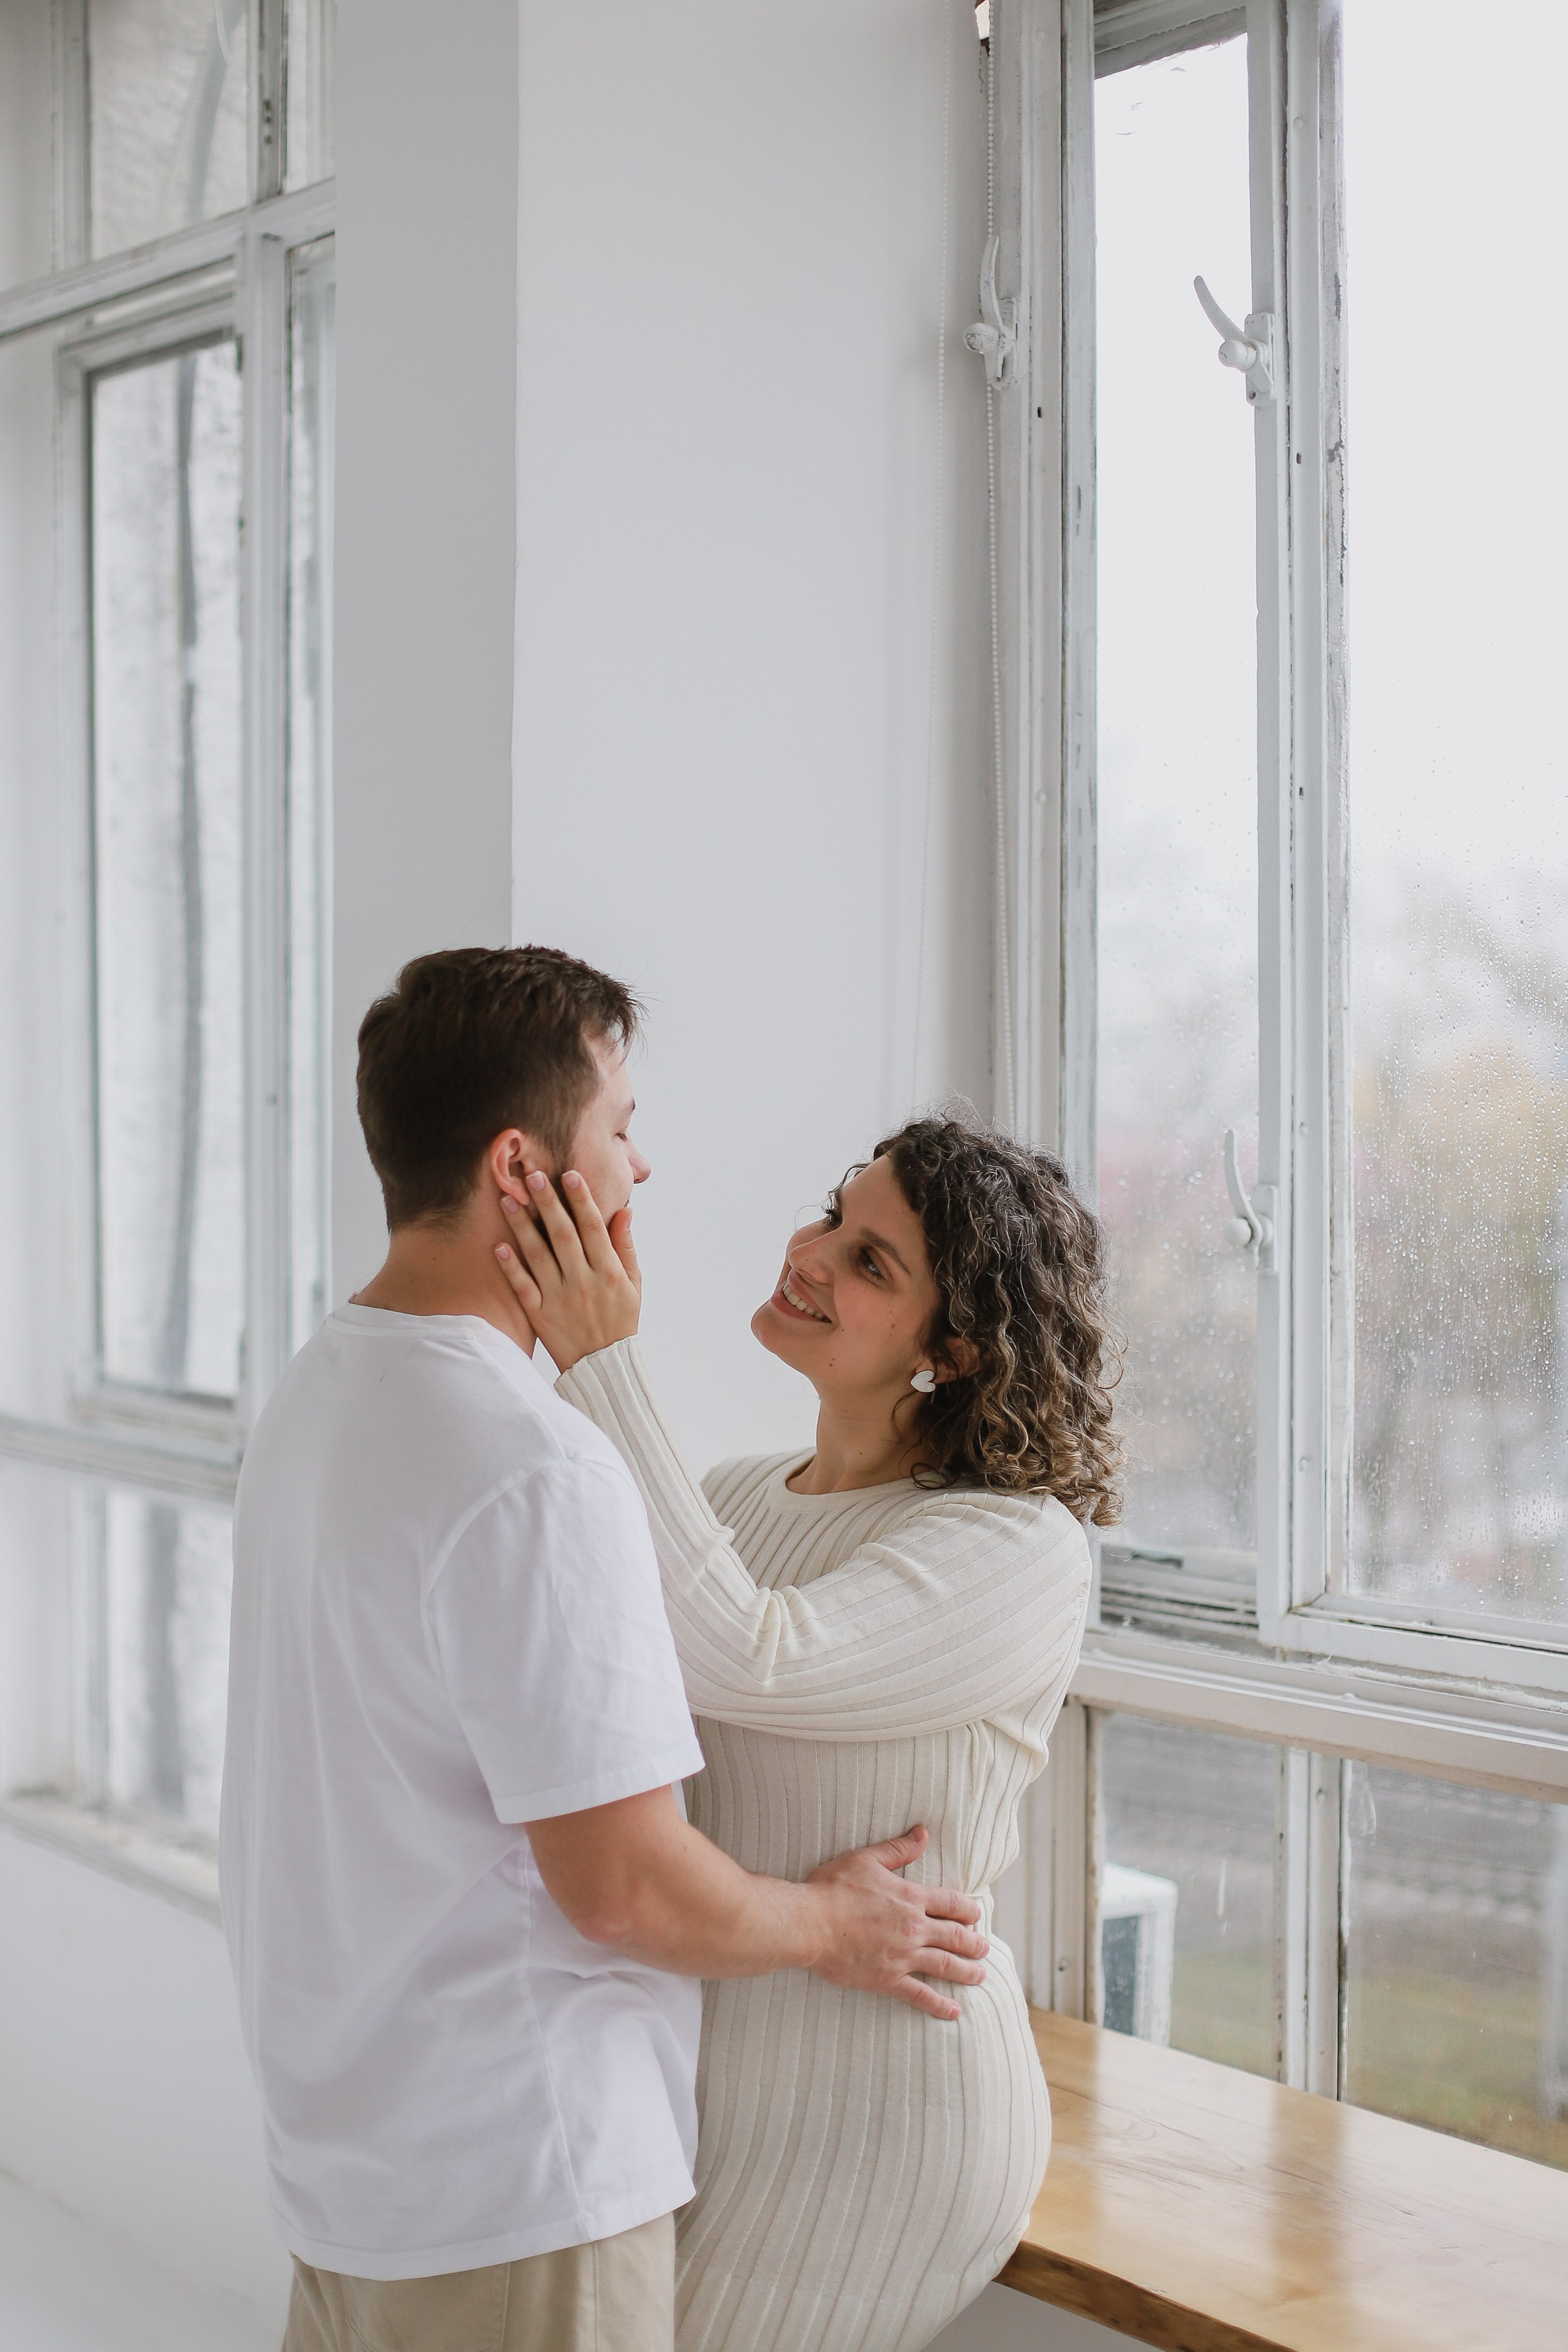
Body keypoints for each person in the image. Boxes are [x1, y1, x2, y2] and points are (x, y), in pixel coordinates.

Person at [219, 946, 989, 2352]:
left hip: (350, 2178)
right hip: (523, 2191)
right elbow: (624, 1888)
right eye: (621, 1129)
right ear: (524, 1171)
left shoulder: (318, 1395)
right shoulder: (531, 1466)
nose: (642, 1166)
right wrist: (834, 1923)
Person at [496, 1109, 1119, 2352]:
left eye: (869, 1260)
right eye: (836, 1216)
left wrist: (599, 1360)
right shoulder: (732, 1500)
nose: (812, 1253)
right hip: (710, 2083)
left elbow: (752, 1655)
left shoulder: (1018, 1546)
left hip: (886, 2112)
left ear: (952, 1349)